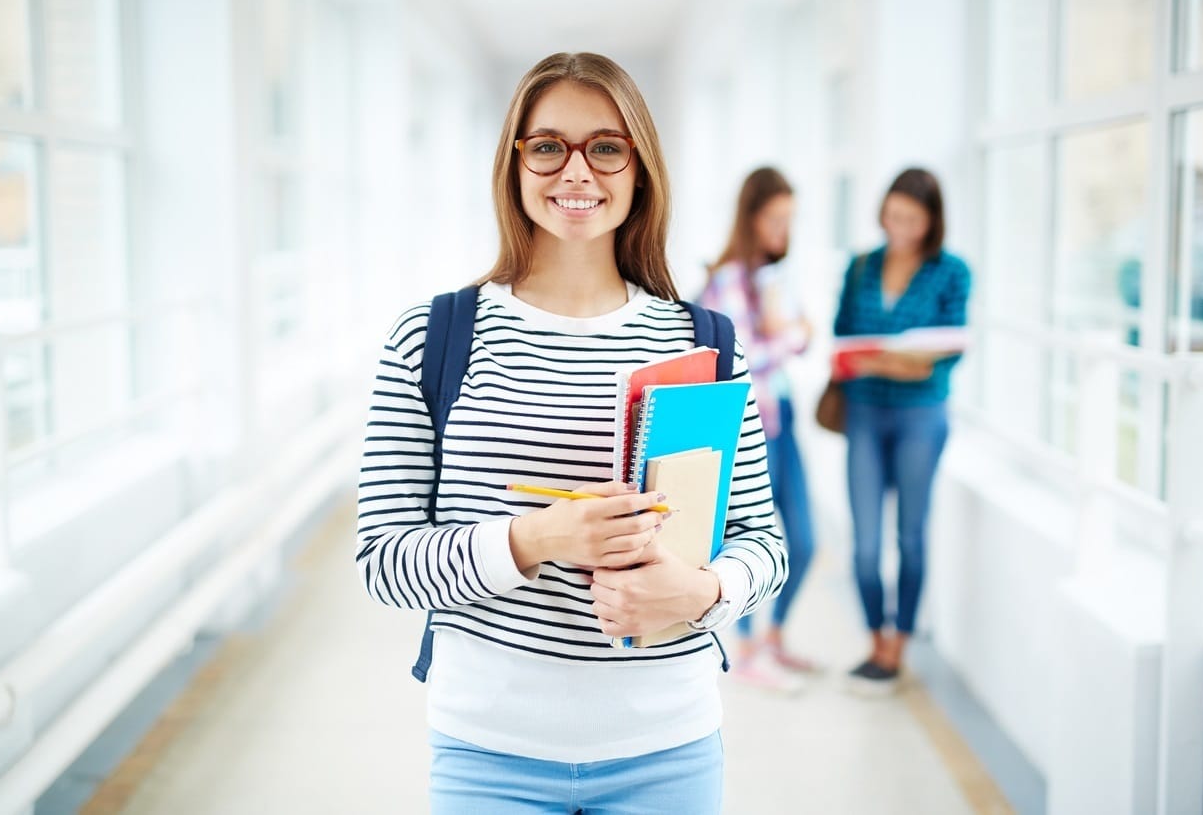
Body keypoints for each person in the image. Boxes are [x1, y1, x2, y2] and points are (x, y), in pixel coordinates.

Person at [356, 52, 788, 814]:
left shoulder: (707, 344)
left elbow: (764, 542)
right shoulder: (433, 338)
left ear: (640, 167)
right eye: (548, 145)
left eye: (607, 146)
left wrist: (700, 591)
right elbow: (383, 563)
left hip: (669, 747)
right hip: (489, 751)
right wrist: (539, 539)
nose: (577, 172)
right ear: (515, 163)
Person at [831, 167, 971, 694]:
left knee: (910, 536)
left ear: (932, 220)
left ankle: (900, 642)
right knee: (865, 544)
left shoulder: (952, 271)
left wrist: (881, 361)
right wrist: (897, 361)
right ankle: (874, 641)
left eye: (911, 219)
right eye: (892, 216)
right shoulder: (862, 265)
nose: (900, 227)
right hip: (863, 414)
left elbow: (942, 359)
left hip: (922, 417)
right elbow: (844, 341)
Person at [699, 167, 817, 692]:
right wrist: (794, 337)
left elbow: (800, 332)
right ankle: (744, 645)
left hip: (783, 416)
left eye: (789, 219)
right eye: (774, 218)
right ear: (750, 218)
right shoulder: (724, 281)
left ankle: (774, 637)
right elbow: (740, 361)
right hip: (750, 424)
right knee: (744, 537)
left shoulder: (774, 275)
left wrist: (794, 333)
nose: (782, 230)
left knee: (807, 542)